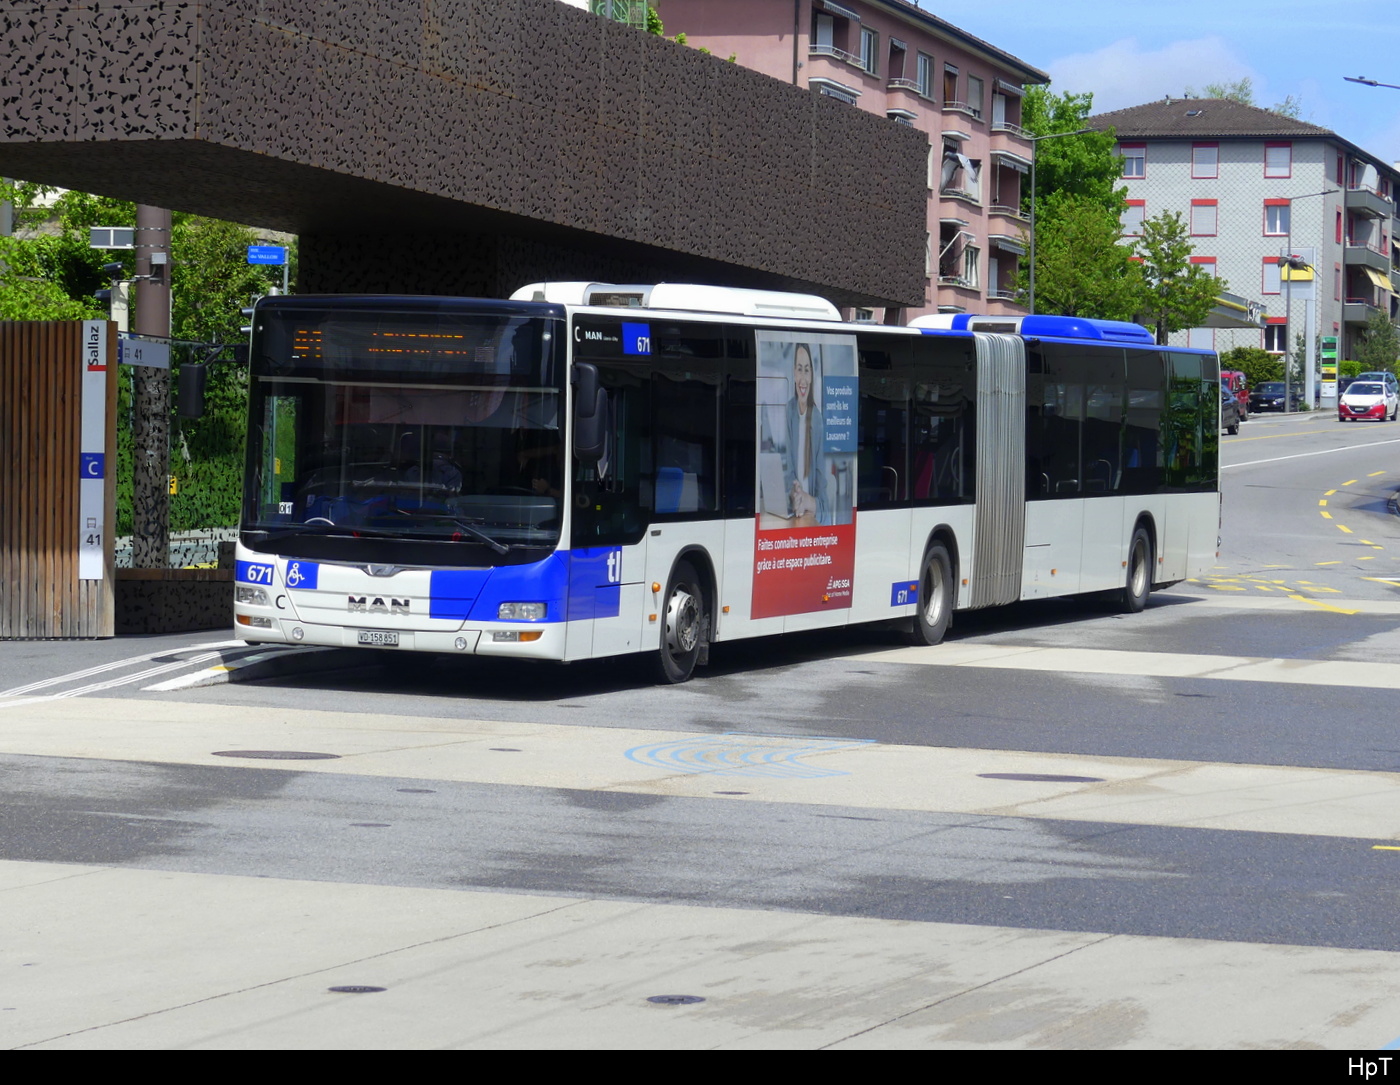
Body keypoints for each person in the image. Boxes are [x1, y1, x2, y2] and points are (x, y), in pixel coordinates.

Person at [783, 343, 830, 524]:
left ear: (812, 376)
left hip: (811, 522)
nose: (803, 378)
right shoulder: (789, 410)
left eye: (807, 370)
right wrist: (794, 493)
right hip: (795, 516)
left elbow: (825, 505)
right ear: (794, 373)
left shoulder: (817, 420)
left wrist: (807, 501)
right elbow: (788, 471)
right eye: (800, 369)